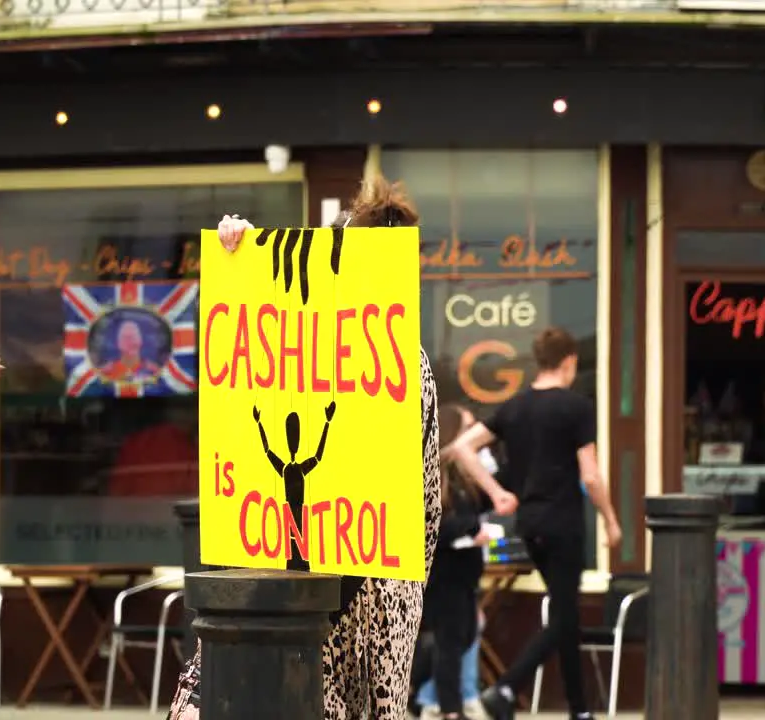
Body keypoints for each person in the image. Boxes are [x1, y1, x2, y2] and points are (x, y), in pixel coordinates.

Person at [168, 175, 464, 720]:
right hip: (291, 573)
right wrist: (243, 261)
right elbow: (253, 352)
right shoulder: (320, 344)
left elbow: (416, 502)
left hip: (360, 595)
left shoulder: (400, 364)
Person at [449, 327, 623, 720]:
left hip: (531, 524)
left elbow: (462, 448)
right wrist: (611, 520)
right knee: (565, 616)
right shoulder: (576, 407)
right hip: (563, 524)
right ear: (570, 362)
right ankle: (507, 688)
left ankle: (579, 710)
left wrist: (497, 494)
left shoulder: (515, 407)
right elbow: (591, 476)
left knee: (566, 615)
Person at [411, 404, 492, 720]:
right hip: (444, 575)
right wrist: (470, 530)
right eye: (468, 428)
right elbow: (432, 528)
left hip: (465, 576)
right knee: (449, 643)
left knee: (464, 636)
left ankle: (421, 692)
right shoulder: (434, 478)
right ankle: (450, 709)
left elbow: (479, 506)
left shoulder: (463, 475)